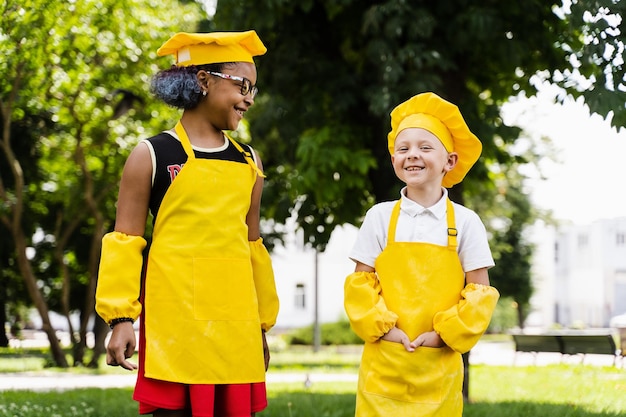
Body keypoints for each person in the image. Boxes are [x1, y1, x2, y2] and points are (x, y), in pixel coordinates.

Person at [95, 30, 279, 417]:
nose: (248, 97)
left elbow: (252, 245)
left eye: (254, 89)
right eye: (242, 85)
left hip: (235, 327)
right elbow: (126, 240)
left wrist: (260, 327)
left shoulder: (250, 161)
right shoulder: (151, 155)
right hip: (175, 327)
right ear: (203, 80)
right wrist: (122, 318)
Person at [344, 92, 500, 417]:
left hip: (439, 365)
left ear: (450, 161)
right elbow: (360, 284)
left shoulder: (467, 223)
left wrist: (443, 335)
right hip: (384, 362)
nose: (412, 154)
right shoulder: (380, 217)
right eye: (403, 148)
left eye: (425, 147)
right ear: (393, 161)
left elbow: (480, 293)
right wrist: (386, 329)